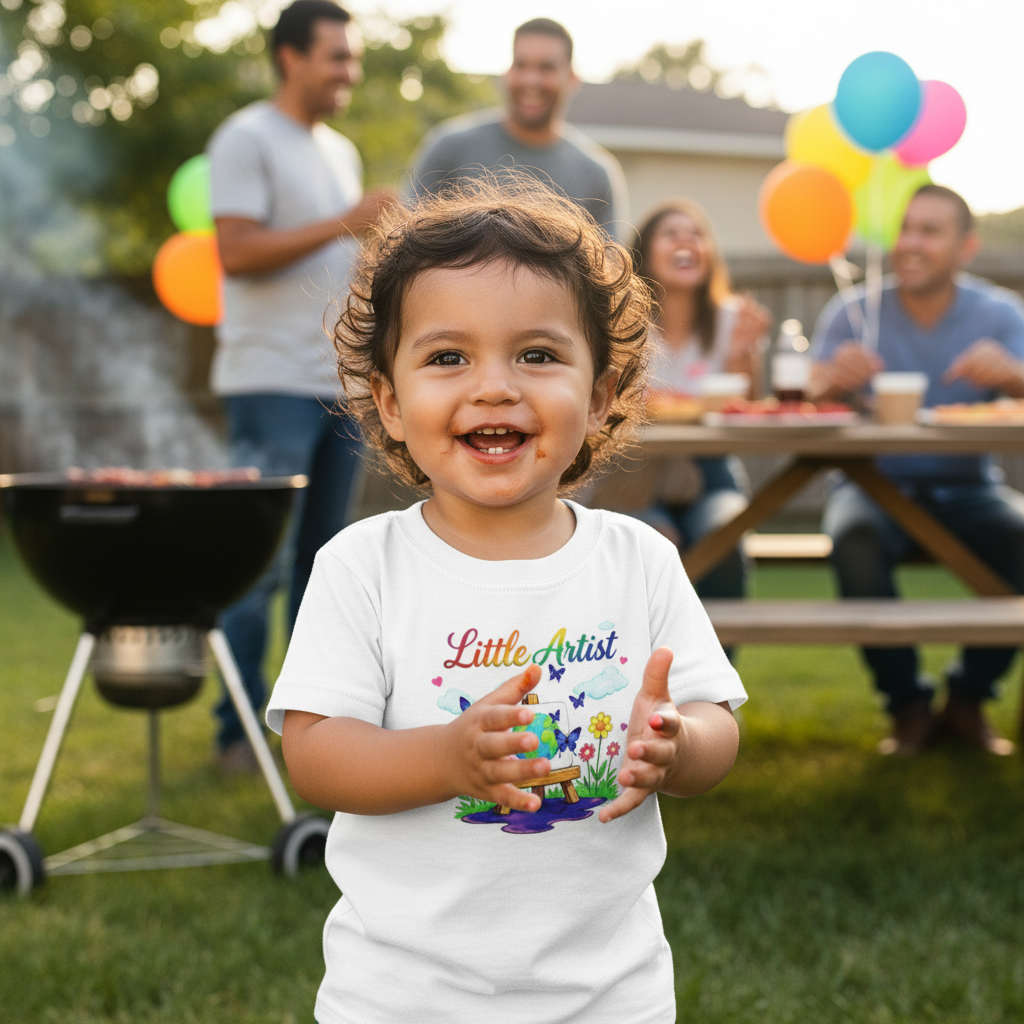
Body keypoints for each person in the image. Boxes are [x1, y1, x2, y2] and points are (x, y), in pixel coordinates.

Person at [265, 180, 745, 1022]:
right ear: (390, 401)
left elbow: (717, 724)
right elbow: (316, 755)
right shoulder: (364, 566)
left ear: (600, 395)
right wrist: (448, 759)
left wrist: (678, 742)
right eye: (448, 357)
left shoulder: (639, 561)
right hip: (403, 997)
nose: (494, 387)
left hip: (607, 995)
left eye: (537, 354)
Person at [207, 0, 396, 771]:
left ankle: (312, 732)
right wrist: (346, 220)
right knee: (256, 564)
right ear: (291, 58)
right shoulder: (246, 138)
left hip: (336, 388)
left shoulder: (339, 150)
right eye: (337, 57)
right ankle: (236, 734)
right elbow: (237, 253)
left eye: (353, 57)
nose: (350, 70)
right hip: (268, 385)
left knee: (325, 569)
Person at [810, 184, 1024, 756]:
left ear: (966, 247)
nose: (911, 243)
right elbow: (797, 398)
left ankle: (968, 700)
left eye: (930, 230)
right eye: (905, 228)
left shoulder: (1000, 314)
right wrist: (828, 382)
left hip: (969, 487)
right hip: (872, 487)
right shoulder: (852, 310)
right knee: (853, 538)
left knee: (1020, 539)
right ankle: (906, 705)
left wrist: (1014, 377)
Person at [593, 199, 771, 603]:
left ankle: (719, 665)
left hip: (711, 469)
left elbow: (745, 411)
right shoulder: (619, 323)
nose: (686, 241)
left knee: (723, 535)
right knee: (654, 543)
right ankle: (652, 662)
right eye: (671, 234)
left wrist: (742, 354)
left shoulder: (733, 320)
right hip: (634, 473)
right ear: (645, 253)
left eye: (696, 234)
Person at [409, 17, 627, 237]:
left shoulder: (596, 173)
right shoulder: (450, 148)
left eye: (546, 67)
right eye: (520, 65)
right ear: (507, 72)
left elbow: (608, 266)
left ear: (571, 78)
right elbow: (404, 242)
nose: (531, 80)